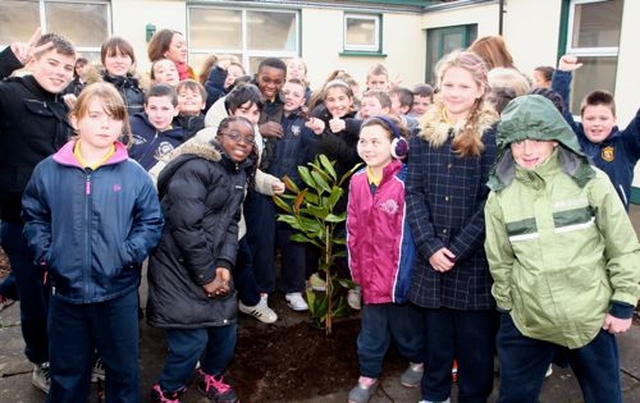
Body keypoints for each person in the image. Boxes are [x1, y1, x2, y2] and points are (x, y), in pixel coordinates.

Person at [484, 94, 640, 403]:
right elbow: (499, 258)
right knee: (514, 397)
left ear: (556, 138)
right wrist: (508, 307)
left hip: (590, 315)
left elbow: (622, 245)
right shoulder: (500, 195)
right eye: (517, 141)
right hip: (529, 319)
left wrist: (623, 302)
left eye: (537, 138)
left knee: (606, 397)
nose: (527, 150)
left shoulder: (592, 181)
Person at [21, 82, 164, 403]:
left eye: (114, 117)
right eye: (95, 115)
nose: (105, 124)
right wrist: (49, 254)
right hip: (66, 294)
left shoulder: (134, 174)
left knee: (123, 371)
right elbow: (34, 216)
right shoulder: (48, 171)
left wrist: (127, 254)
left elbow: (151, 221)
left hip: (118, 293)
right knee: (67, 373)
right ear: (75, 119)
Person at [405, 50, 499, 403]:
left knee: (475, 347)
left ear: (479, 90)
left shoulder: (493, 135)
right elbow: (413, 191)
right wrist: (429, 246)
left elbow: (491, 200)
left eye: (464, 86)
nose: (454, 92)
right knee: (437, 342)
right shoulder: (423, 133)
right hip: (433, 260)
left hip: (472, 261)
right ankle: (435, 394)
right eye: (448, 85)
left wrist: (458, 249)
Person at [146, 116, 258, 403]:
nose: (242, 143)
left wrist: (224, 264)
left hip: (210, 264)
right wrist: (208, 276)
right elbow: (186, 228)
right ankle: (167, 390)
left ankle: (211, 376)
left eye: (249, 138)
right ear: (218, 136)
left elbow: (232, 223)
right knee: (190, 342)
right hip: (177, 266)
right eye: (234, 135)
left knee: (225, 332)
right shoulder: (195, 168)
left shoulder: (237, 172)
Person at [0, 29, 76, 394]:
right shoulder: (11, 95)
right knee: (34, 298)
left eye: (67, 66)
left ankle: (68, 353)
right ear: (32, 60)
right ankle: (41, 360)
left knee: (60, 294)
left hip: (60, 219)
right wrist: (7, 60)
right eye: (52, 63)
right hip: (22, 220)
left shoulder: (61, 105)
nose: (60, 72)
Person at [346, 115, 424, 403]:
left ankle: (418, 360)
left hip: (398, 279)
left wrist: (404, 279)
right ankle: (368, 375)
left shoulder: (405, 183)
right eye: (363, 141)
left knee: (407, 329)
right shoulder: (356, 181)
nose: (368, 147)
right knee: (371, 331)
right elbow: (352, 227)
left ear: (396, 146)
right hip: (370, 275)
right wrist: (356, 272)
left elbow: (409, 238)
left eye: (376, 141)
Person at [254, 78, 322, 311]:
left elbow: (311, 160)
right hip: (265, 191)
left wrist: (295, 186)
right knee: (265, 243)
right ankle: (262, 290)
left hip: (293, 193)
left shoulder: (305, 124)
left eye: (296, 94)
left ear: (304, 100)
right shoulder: (268, 117)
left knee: (293, 243)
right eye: (287, 92)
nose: (290, 96)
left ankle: (293, 290)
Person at [552, 54, 640, 210]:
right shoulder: (574, 139)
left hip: (612, 223)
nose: (596, 124)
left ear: (614, 119)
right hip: (578, 220)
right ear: (582, 119)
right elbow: (559, 109)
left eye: (603, 118)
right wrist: (563, 73)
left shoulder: (626, 145)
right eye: (590, 118)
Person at [84, 36, 146, 116]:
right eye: (113, 56)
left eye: (124, 56)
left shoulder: (142, 90)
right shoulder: (91, 91)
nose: (119, 61)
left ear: (131, 60)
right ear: (103, 61)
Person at [128, 83, 183, 171]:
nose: (158, 115)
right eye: (153, 108)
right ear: (146, 108)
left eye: (165, 109)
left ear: (176, 110)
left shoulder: (177, 144)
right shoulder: (130, 125)